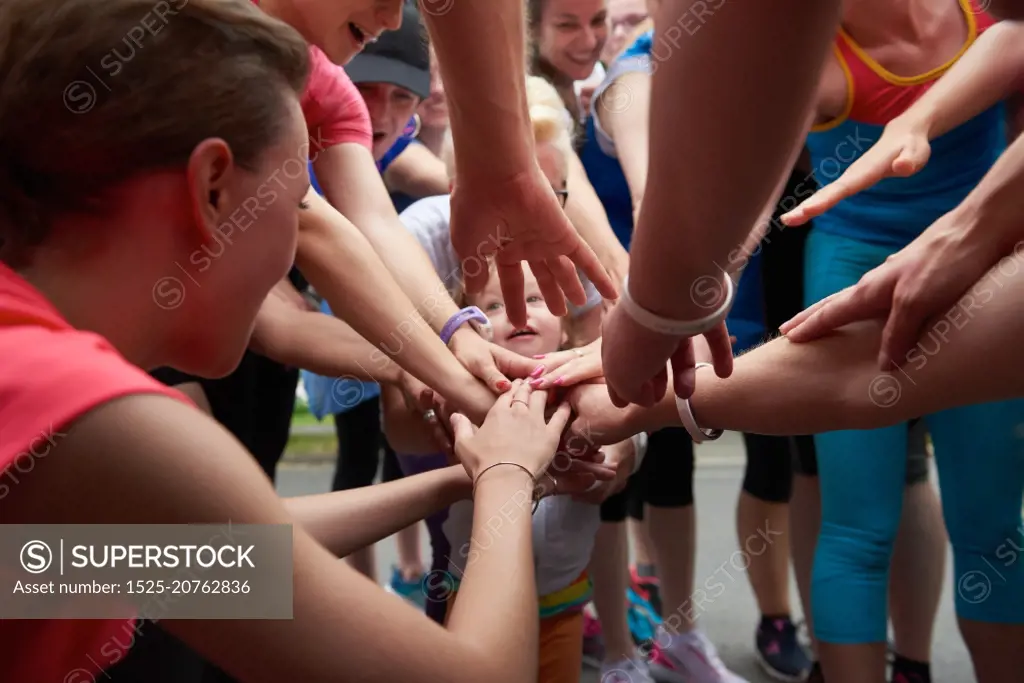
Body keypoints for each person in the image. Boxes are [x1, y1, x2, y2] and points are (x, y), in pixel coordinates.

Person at [0, 4, 615, 683]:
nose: (302, 249)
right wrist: (508, 478)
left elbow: (183, 558)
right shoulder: (99, 420)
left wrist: (463, 473)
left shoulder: (41, 394)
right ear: (212, 187)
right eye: (298, 201)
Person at [577, 20, 793, 683]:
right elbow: (653, 200)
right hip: (637, 302)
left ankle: (669, 631)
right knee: (606, 474)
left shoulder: (763, 68)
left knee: (660, 461)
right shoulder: (636, 79)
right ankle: (611, 643)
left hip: (684, 304)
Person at [781, 19, 1024, 371]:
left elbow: (1015, 34)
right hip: (855, 257)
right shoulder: (805, 60)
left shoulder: (990, 14)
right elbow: (747, 183)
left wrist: (913, 123)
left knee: (986, 418)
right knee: (851, 402)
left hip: (985, 246)